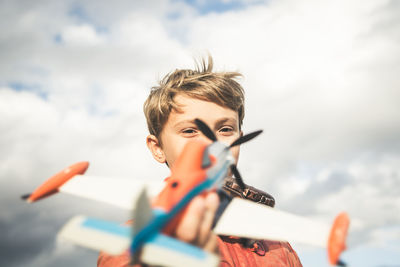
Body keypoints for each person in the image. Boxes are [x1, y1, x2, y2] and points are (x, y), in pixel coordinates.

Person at [97, 56, 302, 267]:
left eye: (225, 129)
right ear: (158, 148)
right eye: (189, 131)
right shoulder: (129, 244)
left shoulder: (276, 243)